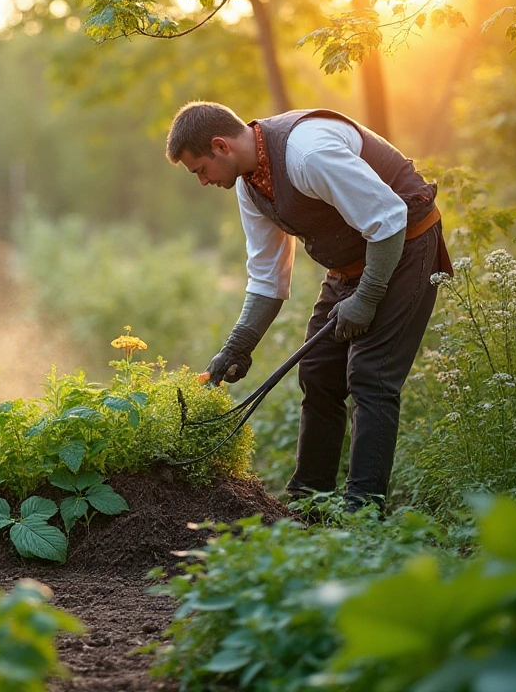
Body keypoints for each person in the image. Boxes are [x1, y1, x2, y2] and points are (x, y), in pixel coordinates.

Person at [166, 102, 451, 510]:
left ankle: (362, 511)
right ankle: (309, 504)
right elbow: (268, 276)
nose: (203, 182)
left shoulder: (307, 152)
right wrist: (237, 346)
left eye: (200, 170)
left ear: (220, 146)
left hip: (404, 245)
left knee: (371, 375)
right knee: (318, 372)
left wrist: (367, 297)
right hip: (351, 263)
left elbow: (389, 217)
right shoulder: (250, 186)